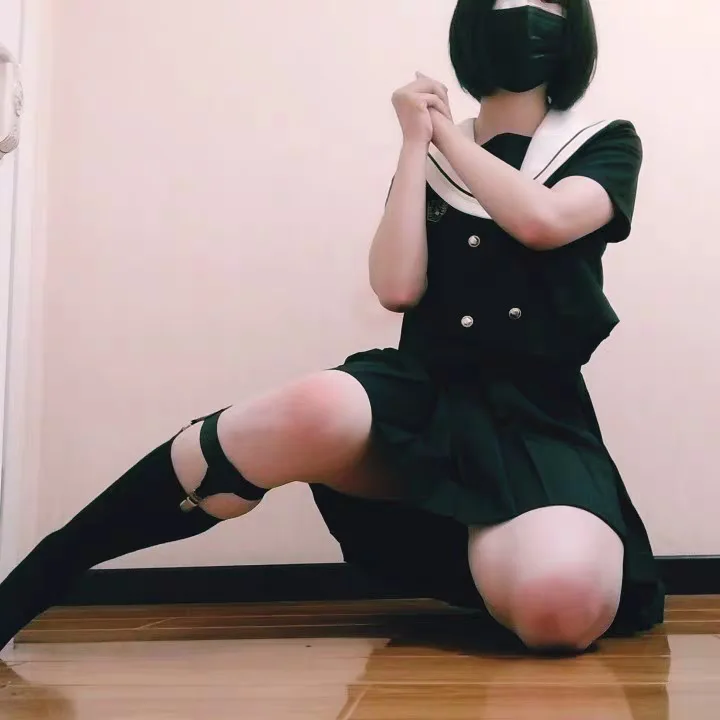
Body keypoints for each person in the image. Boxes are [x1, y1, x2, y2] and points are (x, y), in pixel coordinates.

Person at [0, 0, 664, 654]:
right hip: (425, 396)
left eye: (546, 2)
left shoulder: (602, 143)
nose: (524, 13)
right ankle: (38, 576)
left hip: (537, 418)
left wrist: (448, 138)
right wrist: (415, 145)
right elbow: (396, 287)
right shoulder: (437, 155)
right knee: (310, 406)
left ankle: (507, 562)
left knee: (561, 606)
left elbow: (543, 221)